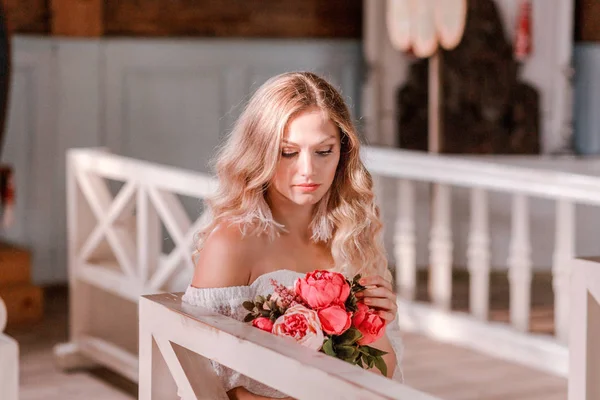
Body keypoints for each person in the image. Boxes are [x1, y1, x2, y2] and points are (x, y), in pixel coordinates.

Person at [182, 72, 403, 400]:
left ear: (343, 152)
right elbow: (205, 381)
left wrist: (374, 327)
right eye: (288, 152)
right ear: (261, 152)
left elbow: (381, 376)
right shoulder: (233, 242)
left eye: (323, 151)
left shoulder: (352, 233)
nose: (307, 170)